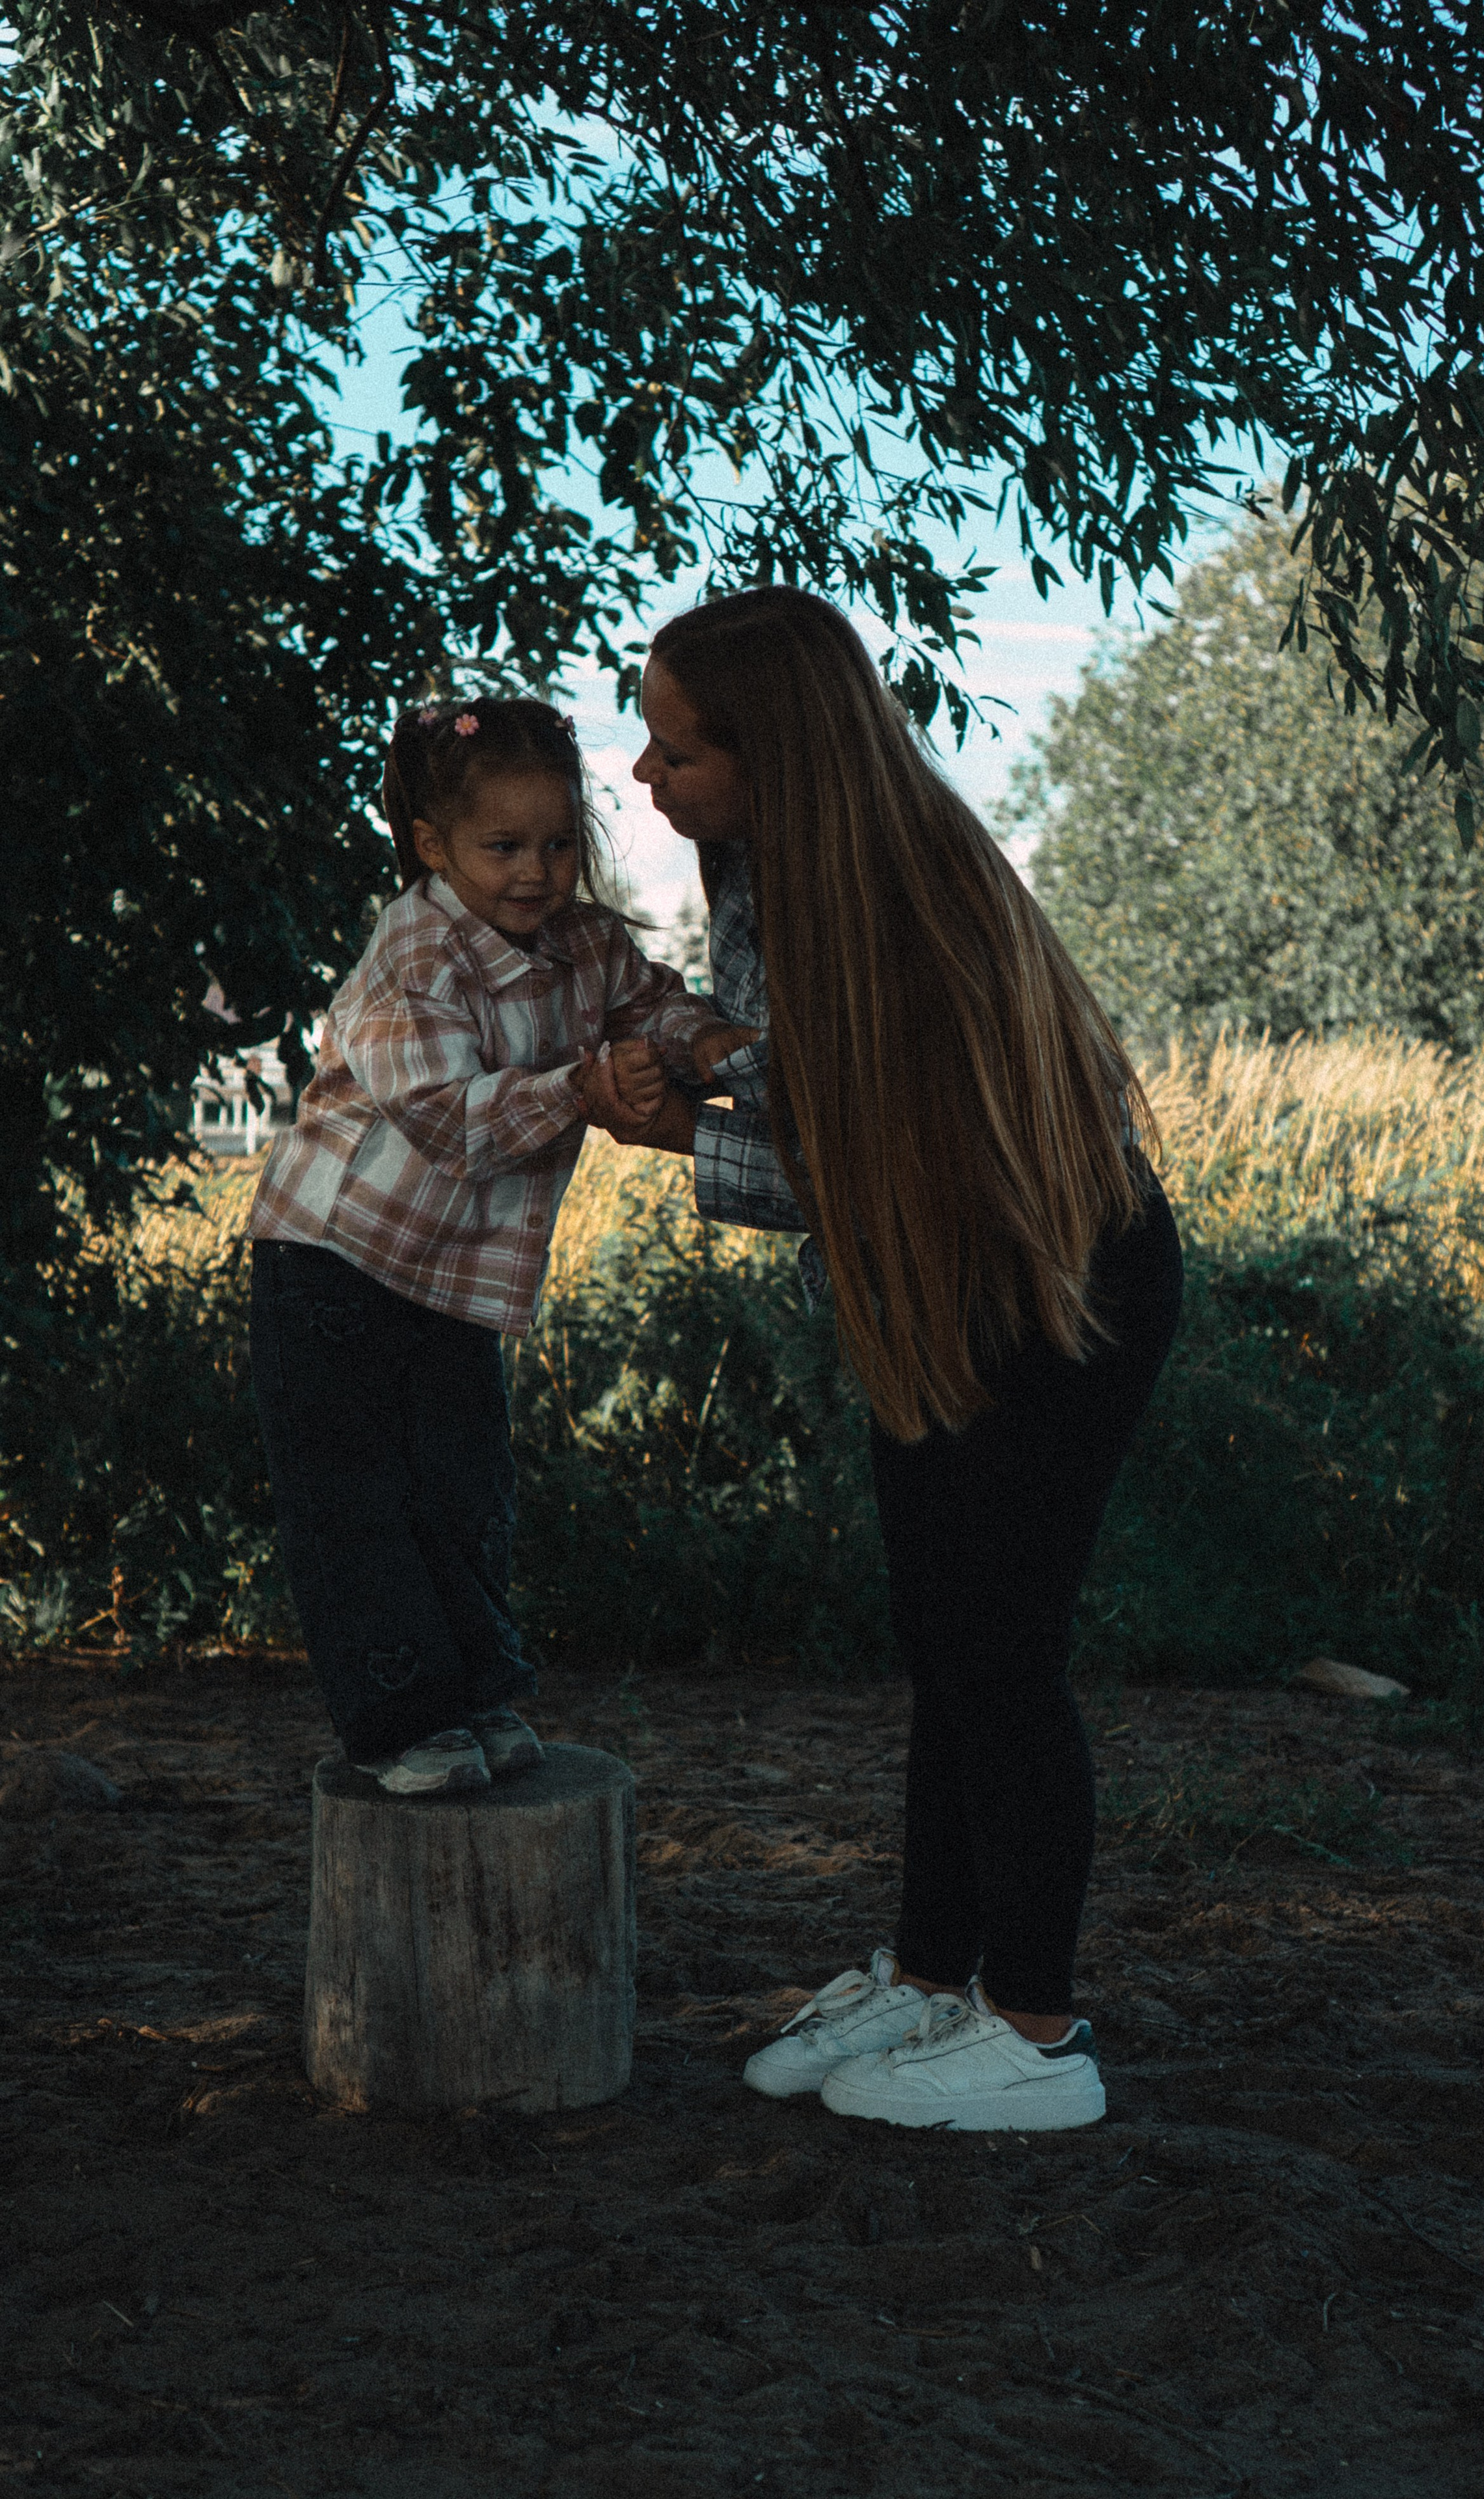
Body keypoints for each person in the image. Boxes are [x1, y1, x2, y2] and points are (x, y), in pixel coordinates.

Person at [588, 586, 1184, 2133]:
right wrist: (716, 1075)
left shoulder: (906, 889)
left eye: (671, 749)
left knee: (1001, 1650)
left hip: (1053, 1281)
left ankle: (1038, 2036)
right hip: (931, 1287)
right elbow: (818, 1096)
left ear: (769, 752)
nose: (641, 775)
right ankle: (932, 1980)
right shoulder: (767, 871)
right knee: (944, 1640)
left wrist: (683, 1136)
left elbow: (915, 1162)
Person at [247, 697, 748, 1796]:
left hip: (448, 1279)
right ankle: (400, 1724)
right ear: (434, 847)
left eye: (561, 843)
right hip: (331, 1264)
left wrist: (700, 1038)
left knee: (463, 1483)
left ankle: (476, 1694)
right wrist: (585, 1086)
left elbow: (648, 1003)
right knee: (357, 1498)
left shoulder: (582, 944)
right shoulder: (414, 952)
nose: (538, 872)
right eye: (504, 847)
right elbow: (447, 1118)